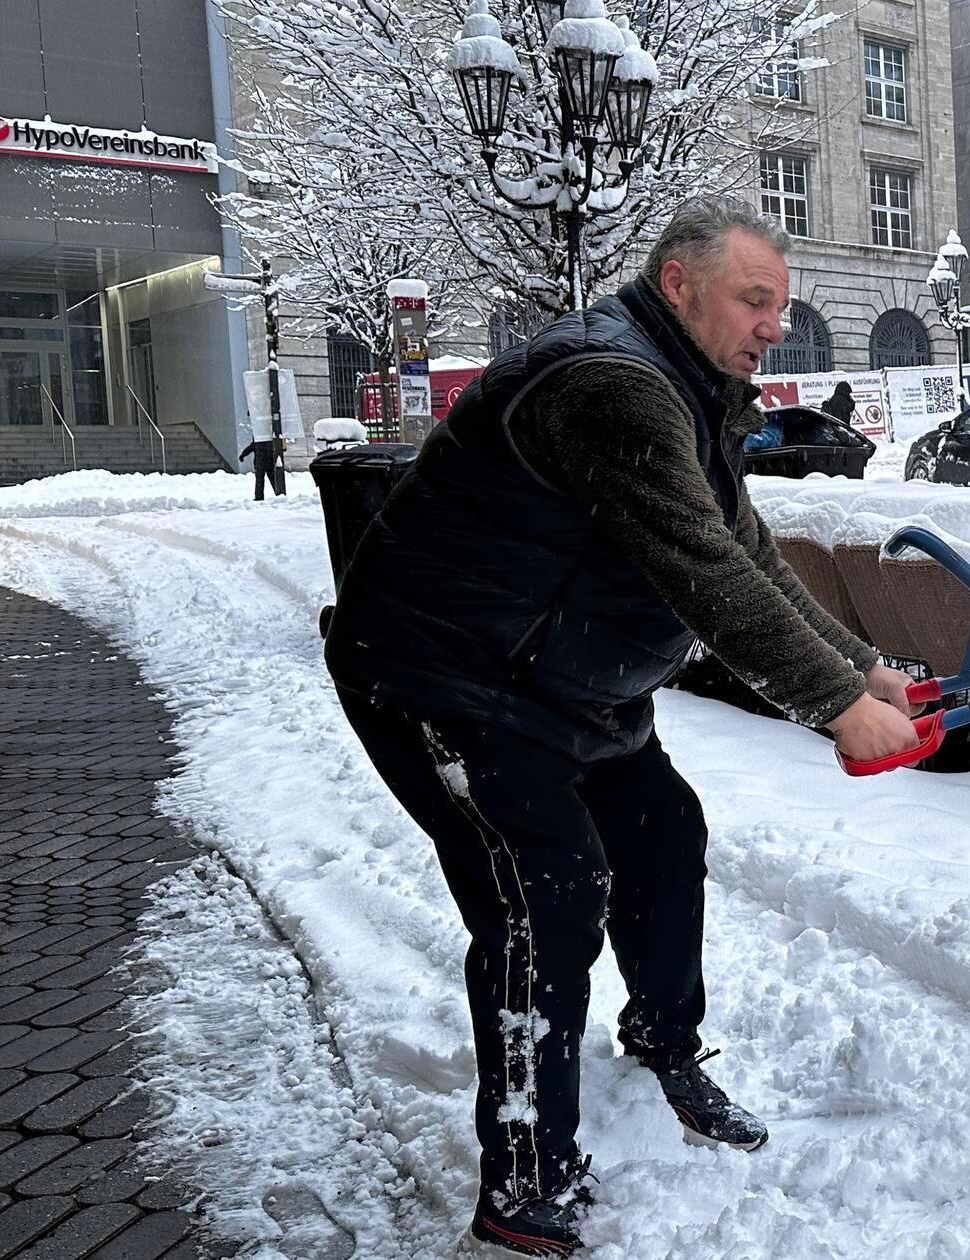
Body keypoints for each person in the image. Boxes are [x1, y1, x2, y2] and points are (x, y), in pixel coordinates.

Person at [321, 197, 923, 1257]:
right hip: (446, 681)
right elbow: (698, 571)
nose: (772, 323)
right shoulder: (609, 384)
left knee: (661, 835)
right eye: (753, 299)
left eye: (780, 305)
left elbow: (746, 550)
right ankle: (525, 1180)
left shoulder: (693, 390)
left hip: (566, 687)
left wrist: (857, 665)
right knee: (542, 896)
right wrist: (831, 708)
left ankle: (664, 1043)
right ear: (677, 283)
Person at [239, 435, 288, 500]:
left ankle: (259, 497)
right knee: (273, 479)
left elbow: (251, 447)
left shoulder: (258, 437)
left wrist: (243, 455)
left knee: (259, 480)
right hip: (270, 461)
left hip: (260, 462)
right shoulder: (270, 436)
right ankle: (279, 494)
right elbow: (281, 448)